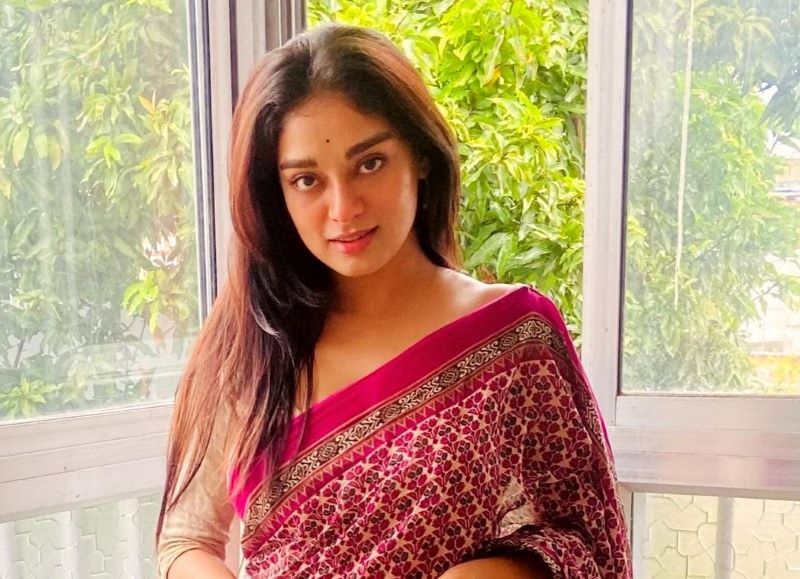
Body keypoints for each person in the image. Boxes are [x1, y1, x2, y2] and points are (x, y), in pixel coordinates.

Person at [155, 23, 632, 579]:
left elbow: (592, 542)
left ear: (420, 156)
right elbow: (185, 538)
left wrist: (498, 572)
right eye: (307, 180)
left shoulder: (515, 337)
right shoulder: (251, 344)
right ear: (275, 193)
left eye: (370, 163)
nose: (344, 209)